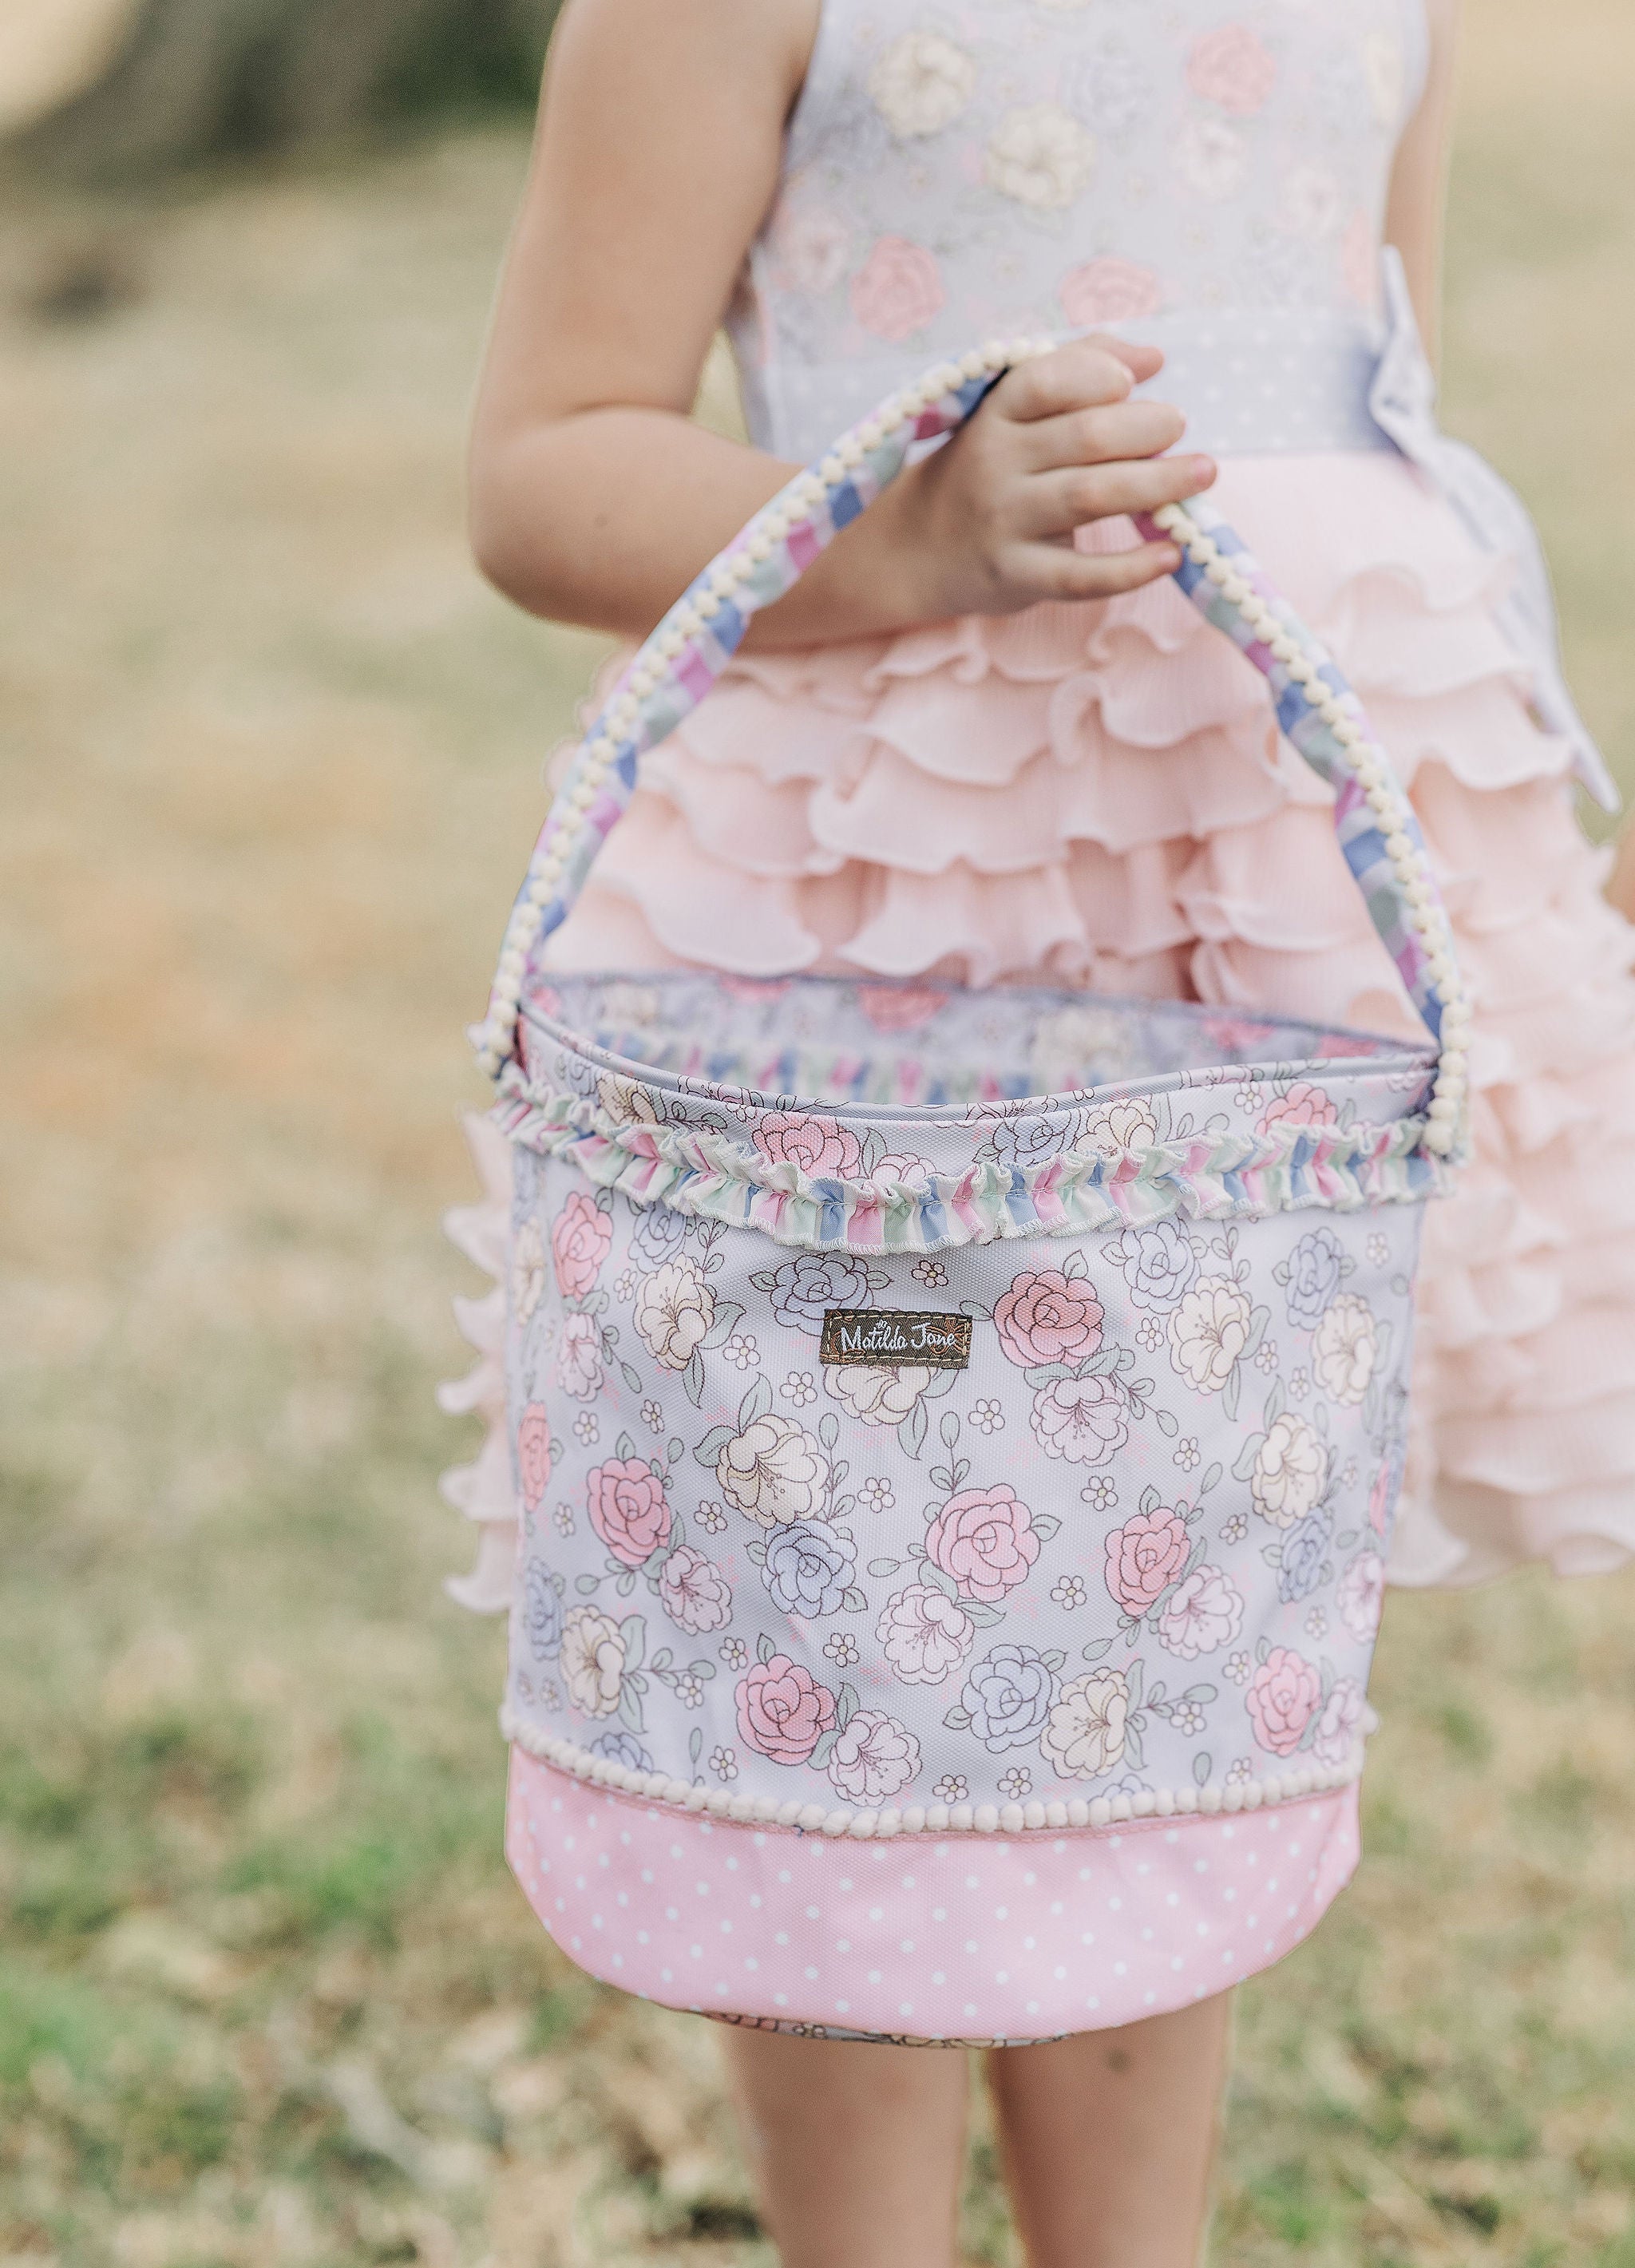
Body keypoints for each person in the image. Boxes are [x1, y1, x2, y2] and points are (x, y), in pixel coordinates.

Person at [447, 2, 1635, 2262]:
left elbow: (1381, 391)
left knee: (1154, 1602)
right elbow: (543, 462)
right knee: (842, 1585)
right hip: (889, 880)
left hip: (1254, 885)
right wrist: (905, 534)